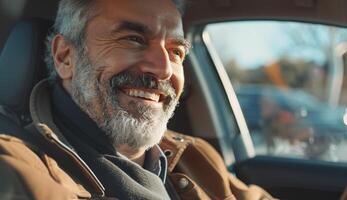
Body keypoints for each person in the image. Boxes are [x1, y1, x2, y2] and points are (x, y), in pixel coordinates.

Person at [0, 0, 275, 199]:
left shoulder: (195, 157)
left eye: (176, 52)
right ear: (65, 56)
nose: (164, 68)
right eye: (133, 39)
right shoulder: (19, 167)